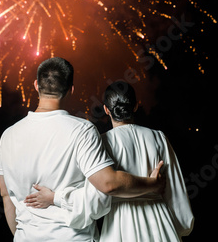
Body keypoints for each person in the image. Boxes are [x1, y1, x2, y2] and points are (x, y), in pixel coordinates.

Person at [0, 58, 165, 242]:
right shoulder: (82, 130)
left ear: (36, 85)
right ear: (71, 89)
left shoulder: (8, 136)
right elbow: (109, 184)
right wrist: (153, 183)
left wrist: (22, 235)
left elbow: (6, 196)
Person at [25, 81, 194, 241]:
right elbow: (175, 191)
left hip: (119, 225)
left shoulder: (101, 142)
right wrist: (180, 227)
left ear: (106, 109)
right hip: (160, 223)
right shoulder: (158, 137)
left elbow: (92, 199)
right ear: (135, 106)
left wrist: (55, 197)